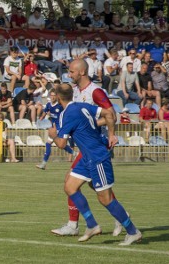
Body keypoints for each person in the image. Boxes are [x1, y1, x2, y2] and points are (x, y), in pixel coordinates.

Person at [48, 83, 142, 245]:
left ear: (57, 96)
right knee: (70, 187)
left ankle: (133, 231)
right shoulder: (81, 106)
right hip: (87, 156)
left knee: (105, 199)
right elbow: (108, 113)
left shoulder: (66, 114)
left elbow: (62, 144)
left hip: (96, 156)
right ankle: (91, 224)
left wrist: (53, 135)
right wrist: (110, 133)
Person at [51, 58, 125, 238]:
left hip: (95, 143)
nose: (69, 75)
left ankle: (74, 225)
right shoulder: (75, 91)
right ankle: (120, 217)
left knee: (71, 182)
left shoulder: (96, 92)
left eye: (72, 72)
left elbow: (111, 115)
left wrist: (110, 134)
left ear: (82, 72)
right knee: (92, 185)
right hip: (85, 144)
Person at [36, 93, 75, 170]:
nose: (53, 97)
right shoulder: (48, 105)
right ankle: (75, 154)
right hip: (54, 128)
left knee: (50, 143)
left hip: (60, 128)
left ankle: (43, 164)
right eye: (51, 95)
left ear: (56, 96)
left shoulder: (60, 106)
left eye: (54, 95)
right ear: (49, 96)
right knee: (60, 145)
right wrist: (40, 120)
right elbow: (43, 114)